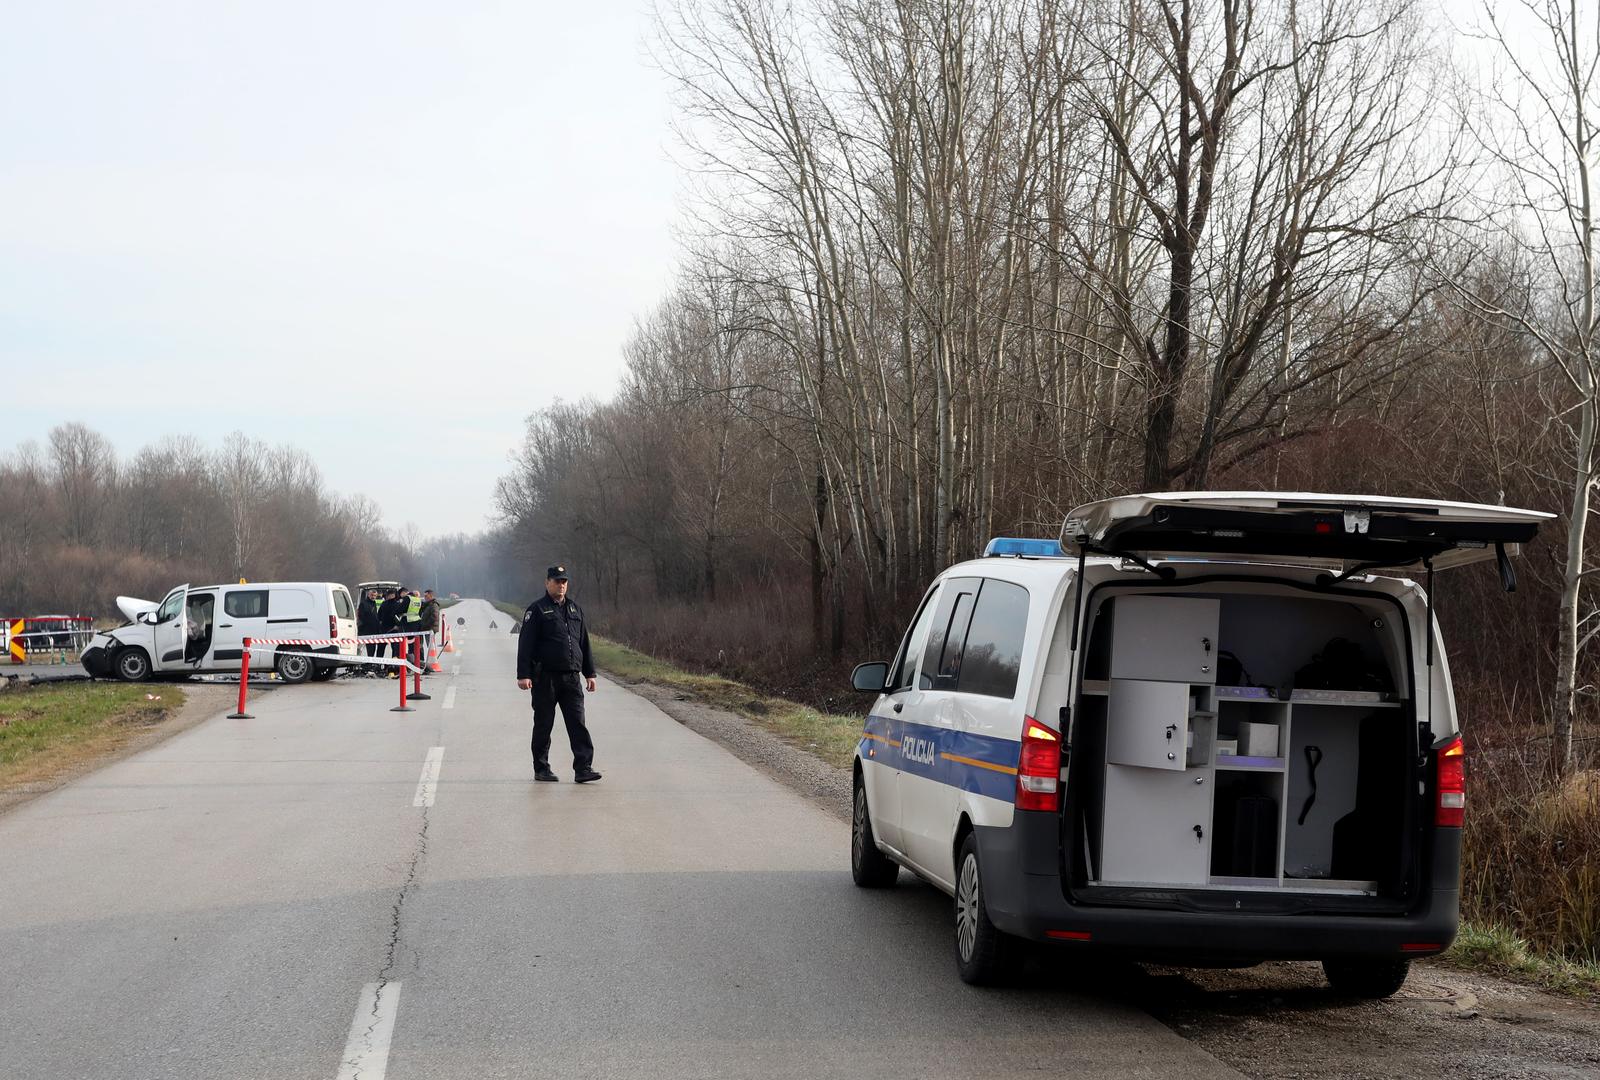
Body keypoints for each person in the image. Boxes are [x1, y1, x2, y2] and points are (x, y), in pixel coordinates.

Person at [516, 565, 599, 783]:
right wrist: (523, 675)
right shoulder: (537, 610)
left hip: (571, 677)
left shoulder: (575, 610)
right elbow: (525, 644)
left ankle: (583, 768)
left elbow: (584, 643)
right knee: (544, 724)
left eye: (564, 581)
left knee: (577, 723)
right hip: (545, 678)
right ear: (547, 583)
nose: (560, 585)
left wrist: (590, 673)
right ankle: (541, 768)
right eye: (556, 581)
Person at [378, 587, 405, 677]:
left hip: (384, 629)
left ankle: (378, 665)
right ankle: (395, 666)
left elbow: (379, 617)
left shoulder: (383, 604)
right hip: (394, 629)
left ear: (388, 596)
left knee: (381, 648)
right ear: (394, 595)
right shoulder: (398, 604)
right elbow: (400, 617)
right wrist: (398, 625)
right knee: (395, 649)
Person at [357, 588, 383, 675]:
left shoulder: (375, 603)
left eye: (375, 596)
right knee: (369, 648)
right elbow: (361, 616)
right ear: (368, 595)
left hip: (376, 629)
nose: (373, 597)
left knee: (374, 647)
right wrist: (366, 625)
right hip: (367, 629)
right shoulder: (363, 604)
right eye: (372, 595)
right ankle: (369, 663)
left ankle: (373, 663)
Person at [420, 589, 441, 669]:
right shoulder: (427, 604)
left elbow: (434, 617)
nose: (424, 597)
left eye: (426, 596)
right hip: (426, 629)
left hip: (430, 629)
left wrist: (425, 625)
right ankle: (429, 662)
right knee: (429, 646)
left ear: (431, 596)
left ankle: (432, 663)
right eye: (424, 596)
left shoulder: (434, 605)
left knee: (430, 647)